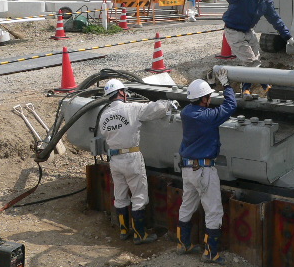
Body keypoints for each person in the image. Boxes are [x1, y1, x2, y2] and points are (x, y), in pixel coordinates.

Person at [99, 79, 170, 245]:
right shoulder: (132, 108)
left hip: (114, 159)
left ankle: (124, 230)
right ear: (122, 93)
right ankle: (140, 234)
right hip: (131, 157)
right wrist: (168, 103)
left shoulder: (104, 115)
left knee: (120, 194)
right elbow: (155, 109)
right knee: (138, 195)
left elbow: (104, 133)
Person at [176, 68, 236, 263]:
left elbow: (203, 105)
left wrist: (209, 86)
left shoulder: (186, 113)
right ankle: (211, 253)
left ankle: (183, 244)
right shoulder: (208, 117)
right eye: (208, 96)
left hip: (187, 169)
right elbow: (230, 106)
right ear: (204, 99)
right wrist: (226, 85)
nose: (210, 99)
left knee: (187, 206)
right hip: (204, 170)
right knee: (213, 211)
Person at [222, 0, 294, 100]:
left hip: (248, 31)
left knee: (254, 60)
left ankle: (246, 90)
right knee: (251, 62)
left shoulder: (266, 1)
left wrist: (288, 37)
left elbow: (276, 20)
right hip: (233, 31)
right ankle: (266, 87)